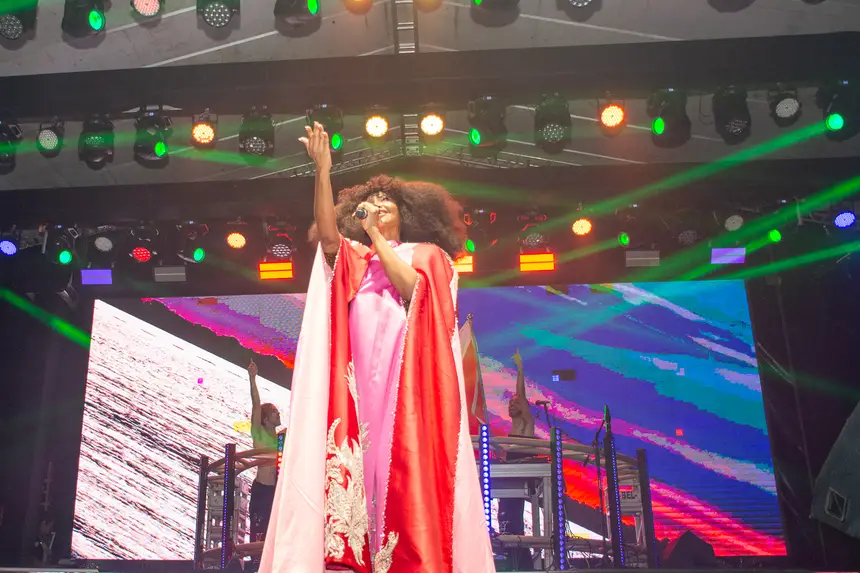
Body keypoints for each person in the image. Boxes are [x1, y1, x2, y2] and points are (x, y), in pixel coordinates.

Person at [258, 123, 496, 573]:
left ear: (406, 213)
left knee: (398, 472)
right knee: (358, 475)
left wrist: (379, 238)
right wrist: (323, 170)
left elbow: (415, 292)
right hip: (359, 388)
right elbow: (329, 238)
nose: (380, 205)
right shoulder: (357, 260)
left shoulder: (427, 254)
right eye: (372, 202)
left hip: (405, 390)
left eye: (388, 202)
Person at [498, 349, 536, 570]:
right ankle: (511, 560)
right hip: (508, 484)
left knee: (513, 522)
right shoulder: (513, 428)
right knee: (505, 520)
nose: (511, 405)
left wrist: (520, 369)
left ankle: (522, 563)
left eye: (515, 403)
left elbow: (520, 395)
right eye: (509, 403)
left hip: (518, 482)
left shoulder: (525, 425)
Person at [247, 359, 281, 545]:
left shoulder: (280, 439)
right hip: (261, 489)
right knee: (258, 532)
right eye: (274, 412)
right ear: (266, 418)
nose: (278, 413)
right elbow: (256, 404)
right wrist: (253, 378)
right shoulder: (259, 434)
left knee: (272, 534)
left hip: (275, 491)